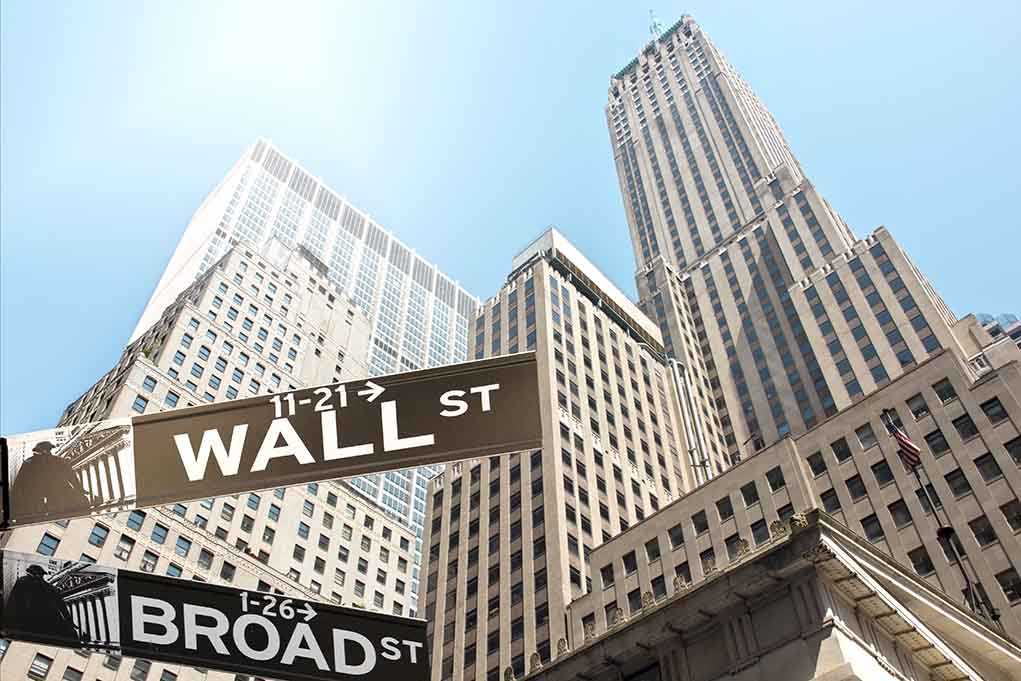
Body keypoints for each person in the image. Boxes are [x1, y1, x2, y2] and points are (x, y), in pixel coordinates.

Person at [10, 440, 91, 519]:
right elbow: (20, 483)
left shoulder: (31, 462)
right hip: (47, 496)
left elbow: (71, 476)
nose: (46, 452)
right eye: (45, 450)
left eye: (47, 450)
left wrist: (79, 489)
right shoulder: (30, 463)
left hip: (54, 494)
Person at [3, 563, 81, 642]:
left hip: (32, 621)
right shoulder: (47, 586)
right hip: (43, 621)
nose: (40, 576)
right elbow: (61, 605)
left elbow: (13, 602)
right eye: (40, 574)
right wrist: (69, 621)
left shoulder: (23, 581)